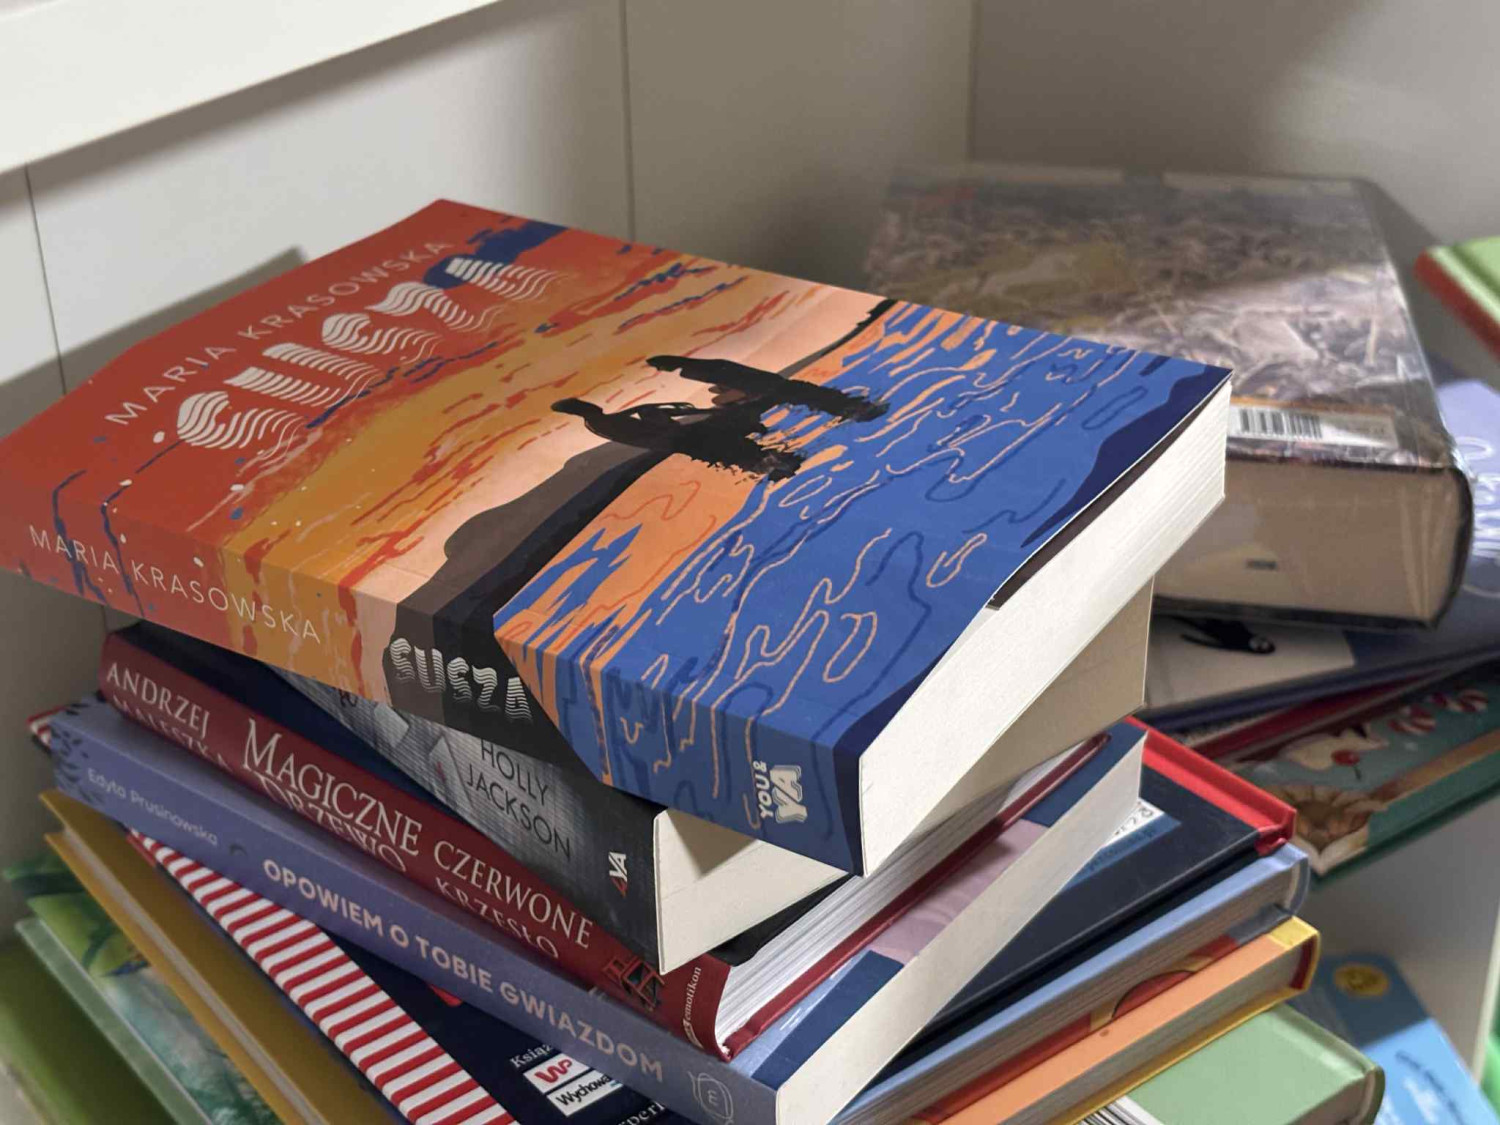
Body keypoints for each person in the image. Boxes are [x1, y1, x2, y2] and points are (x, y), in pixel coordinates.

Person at [552, 398, 802, 481]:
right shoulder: (602, 422)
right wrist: (658, 414)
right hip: (678, 438)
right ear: (581, 408)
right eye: (583, 403)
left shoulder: (598, 423)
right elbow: (648, 425)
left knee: (732, 451)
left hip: (676, 440)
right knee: (732, 449)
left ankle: (775, 465)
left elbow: (644, 420)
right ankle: (777, 466)